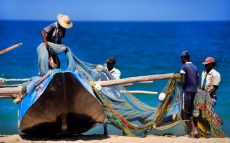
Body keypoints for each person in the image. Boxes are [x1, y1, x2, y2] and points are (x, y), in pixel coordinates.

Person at [180, 51, 199, 137]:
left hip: (187, 91)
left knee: (185, 111)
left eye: (181, 58)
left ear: (184, 58)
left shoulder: (184, 67)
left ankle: (192, 131)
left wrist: (181, 85)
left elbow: (183, 81)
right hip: (194, 91)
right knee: (192, 110)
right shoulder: (195, 67)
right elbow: (197, 80)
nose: (180, 59)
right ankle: (196, 129)